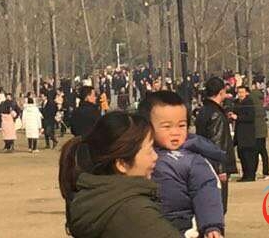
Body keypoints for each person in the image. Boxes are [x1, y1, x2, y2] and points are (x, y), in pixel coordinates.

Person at [58, 111, 182, 238]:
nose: (155, 156)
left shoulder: (94, 199)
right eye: (149, 150)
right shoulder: (134, 212)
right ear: (122, 164)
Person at [138, 91, 224, 238]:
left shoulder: (192, 160)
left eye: (181, 125)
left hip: (181, 225)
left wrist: (211, 226)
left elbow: (206, 192)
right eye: (167, 126)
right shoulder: (137, 154)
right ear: (147, 127)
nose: (175, 132)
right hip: (144, 221)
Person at [195, 77, 237, 213]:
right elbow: (217, 142)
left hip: (204, 162)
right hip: (215, 166)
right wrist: (221, 168)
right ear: (221, 92)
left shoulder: (203, 111)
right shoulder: (216, 114)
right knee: (218, 205)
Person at [233, 85, 257, 182]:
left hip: (247, 134)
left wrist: (238, 117)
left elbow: (250, 117)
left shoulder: (249, 102)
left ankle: (250, 175)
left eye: (242, 92)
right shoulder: (236, 102)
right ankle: (245, 175)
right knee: (242, 155)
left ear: (246, 93)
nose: (240, 94)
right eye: (239, 92)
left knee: (248, 156)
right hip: (239, 133)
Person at [251, 82, 269, 179]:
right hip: (262, 130)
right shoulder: (261, 101)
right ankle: (265, 172)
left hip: (256, 130)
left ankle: (254, 172)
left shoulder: (252, 101)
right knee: (263, 151)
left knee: (256, 152)